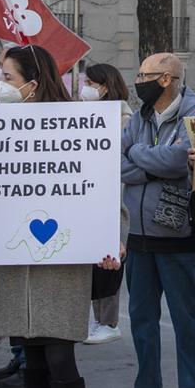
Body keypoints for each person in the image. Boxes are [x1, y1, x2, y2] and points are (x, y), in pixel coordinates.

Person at [0, 44, 117, 388]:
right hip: (17, 264)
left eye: (8, 78)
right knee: (31, 358)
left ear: (33, 83)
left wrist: (113, 238)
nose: (0, 87)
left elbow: (98, 184)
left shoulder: (77, 122)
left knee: (58, 359)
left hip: (62, 260)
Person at [109, 53, 195, 388]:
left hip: (177, 236)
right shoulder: (139, 116)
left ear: (166, 78)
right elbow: (117, 161)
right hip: (138, 237)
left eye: (144, 74)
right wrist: (152, 160)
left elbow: (179, 161)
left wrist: (140, 158)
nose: (137, 80)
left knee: (187, 323)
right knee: (142, 321)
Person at [83, 62, 131, 346]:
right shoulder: (88, 113)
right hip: (91, 194)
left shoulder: (123, 116)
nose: (85, 89)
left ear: (105, 86)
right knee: (93, 261)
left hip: (113, 194)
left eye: (90, 84)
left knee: (110, 261)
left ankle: (108, 321)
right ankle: (96, 318)